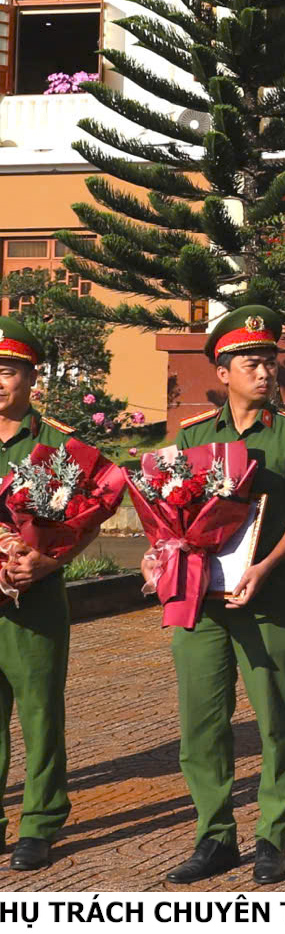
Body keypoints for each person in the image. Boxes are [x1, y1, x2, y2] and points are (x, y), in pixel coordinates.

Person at [144, 305, 285, 885]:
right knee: (203, 723)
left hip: (266, 596)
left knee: (275, 717)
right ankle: (214, 837)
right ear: (221, 371)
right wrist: (160, 558)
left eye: (269, 360)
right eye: (250, 360)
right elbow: (167, 516)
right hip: (199, 603)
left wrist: (267, 565)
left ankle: (273, 837)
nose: (263, 369)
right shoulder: (195, 436)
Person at [0, 317, 99, 872]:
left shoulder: (58, 446)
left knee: (39, 716)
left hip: (33, 603)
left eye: (8, 370)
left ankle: (38, 823)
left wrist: (51, 559)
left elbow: (87, 521)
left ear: (31, 378)